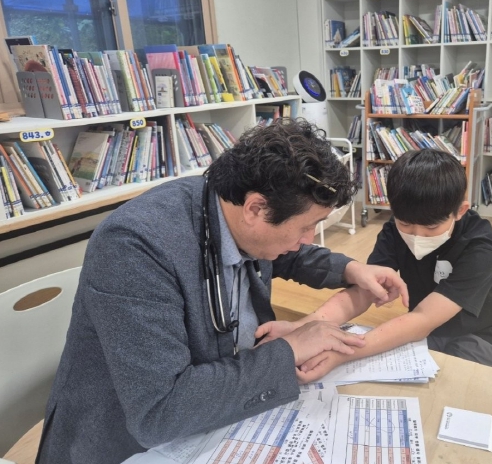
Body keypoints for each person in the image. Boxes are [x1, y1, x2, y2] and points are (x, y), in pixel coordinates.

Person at [36, 119, 408, 464]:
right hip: (130, 444)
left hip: (221, 413)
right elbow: (159, 412)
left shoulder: (231, 203)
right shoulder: (135, 246)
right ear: (256, 209)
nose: (308, 239)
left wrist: (350, 269)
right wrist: (291, 349)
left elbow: (283, 252)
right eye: (306, 227)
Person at [258, 148, 492, 382]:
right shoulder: (393, 229)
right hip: (425, 324)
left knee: (458, 385)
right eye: (405, 224)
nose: (417, 235)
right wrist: (306, 326)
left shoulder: (481, 248)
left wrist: (343, 352)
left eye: (431, 228)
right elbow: (366, 289)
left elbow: (423, 319)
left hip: (482, 333)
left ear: (460, 211)